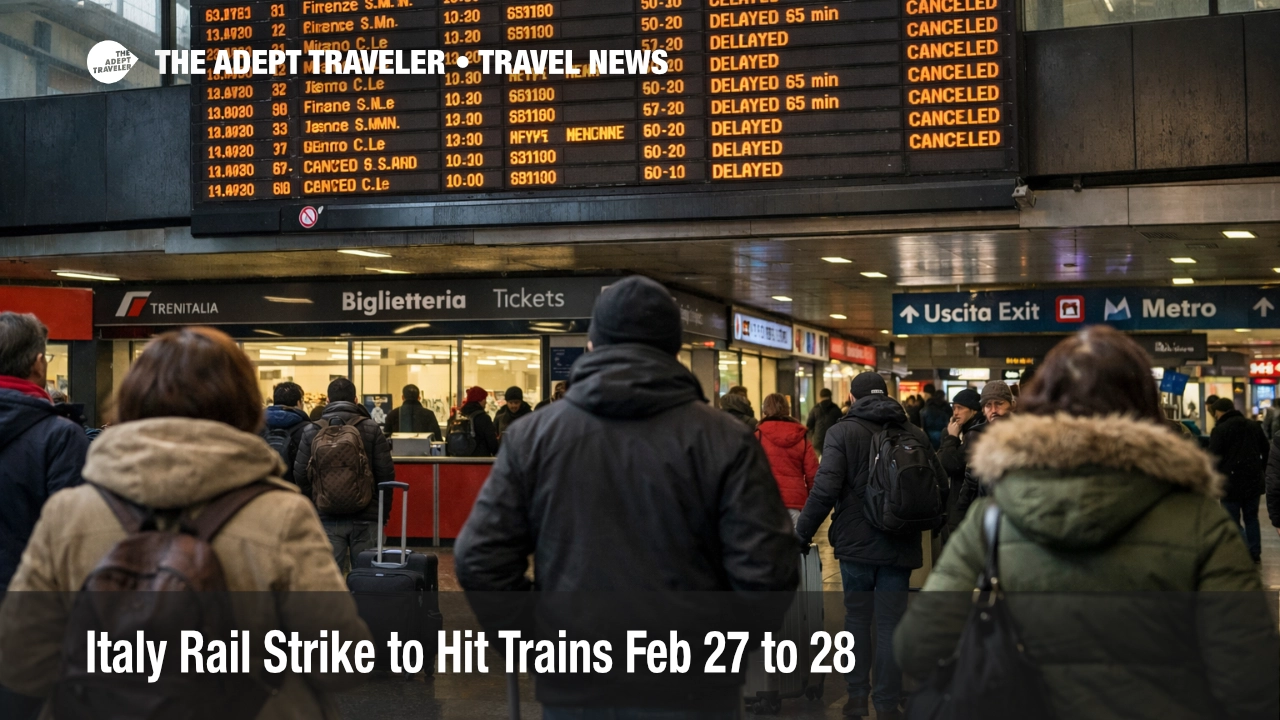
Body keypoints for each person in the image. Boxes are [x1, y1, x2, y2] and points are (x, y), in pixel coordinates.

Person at [894, 325, 1279, 720]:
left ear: (1042, 408)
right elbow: (1252, 679)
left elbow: (916, 647)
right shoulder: (1200, 523)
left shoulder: (993, 520)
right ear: (1147, 409)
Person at [455, 276, 798, 716]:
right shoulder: (726, 439)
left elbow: (480, 557)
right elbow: (769, 568)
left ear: (592, 345)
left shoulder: (534, 437)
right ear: (675, 350)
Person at [0, 327, 371, 719]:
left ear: (129, 402)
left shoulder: (70, 513)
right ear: (244, 404)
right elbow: (340, 663)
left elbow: (21, 663)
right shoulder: (282, 514)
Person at [794, 371, 947, 720]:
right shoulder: (913, 432)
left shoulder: (841, 432)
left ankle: (857, 698)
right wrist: (934, 525)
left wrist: (802, 534)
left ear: (852, 398)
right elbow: (939, 485)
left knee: (857, 619)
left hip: (856, 543)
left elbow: (825, 490)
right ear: (886, 395)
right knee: (891, 622)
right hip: (900, 540)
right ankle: (887, 702)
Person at [294, 377, 396, 572]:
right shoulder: (371, 428)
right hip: (366, 516)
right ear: (356, 400)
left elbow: (300, 475)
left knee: (330, 579)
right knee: (366, 576)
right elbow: (386, 474)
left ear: (327, 401)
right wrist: (381, 513)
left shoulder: (311, 430)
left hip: (327, 516)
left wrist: (317, 503)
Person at [1208, 396, 1268, 564]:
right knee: (1252, 518)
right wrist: (1262, 470)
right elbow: (1266, 449)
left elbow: (1213, 457)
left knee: (1232, 520)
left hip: (1229, 483)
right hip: (1253, 480)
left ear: (1219, 412)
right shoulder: (1253, 426)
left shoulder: (1220, 430)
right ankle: (1254, 552)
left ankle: (1244, 550)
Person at [950, 381, 1015, 525]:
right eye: (988, 405)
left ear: (1011, 405)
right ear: (983, 410)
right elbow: (970, 481)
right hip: (986, 514)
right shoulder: (977, 435)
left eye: (999, 404)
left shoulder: (1025, 434)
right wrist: (959, 517)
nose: (994, 410)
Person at [758, 393, 819, 524]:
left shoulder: (758, 436)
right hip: (796, 503)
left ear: (765, 410)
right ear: (787, 409)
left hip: (766, 502)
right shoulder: (801, 437)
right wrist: (812, 504)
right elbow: (812, 474)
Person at [936, 387, 983, 544]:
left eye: (960, 408)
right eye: (954, 408)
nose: (956, 413)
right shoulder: (958, 430)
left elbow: (951, 464)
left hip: (966, 503)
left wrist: (951, 438)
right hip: (956, 499)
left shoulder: (974, 434)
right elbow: (941, 462)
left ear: (974, 410)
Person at [260, 381, 312, 485]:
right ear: (299, 403)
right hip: (296, 489)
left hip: (265, 487)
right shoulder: (308, 429)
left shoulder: (258, 426)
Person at [451, 386, 499, 456]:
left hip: (460, 458)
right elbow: (492, 442)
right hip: (480, 459)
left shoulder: (459, 415)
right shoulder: (484, 418)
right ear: (479, 400)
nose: (485, 402)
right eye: (484, 399)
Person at [806, 387, 844, 455]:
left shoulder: (815, 409)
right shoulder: (836, 409)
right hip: (833, 441)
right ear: (830, 396)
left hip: (818, 442)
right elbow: (841, 425)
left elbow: (809, 425)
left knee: (817, 460)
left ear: (820, 397)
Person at [918, 384, 950, 449]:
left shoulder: (926, 407)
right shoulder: (945, 405)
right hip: (944, 437)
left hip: (931, 439)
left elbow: (924, 425)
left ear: (927, 394)